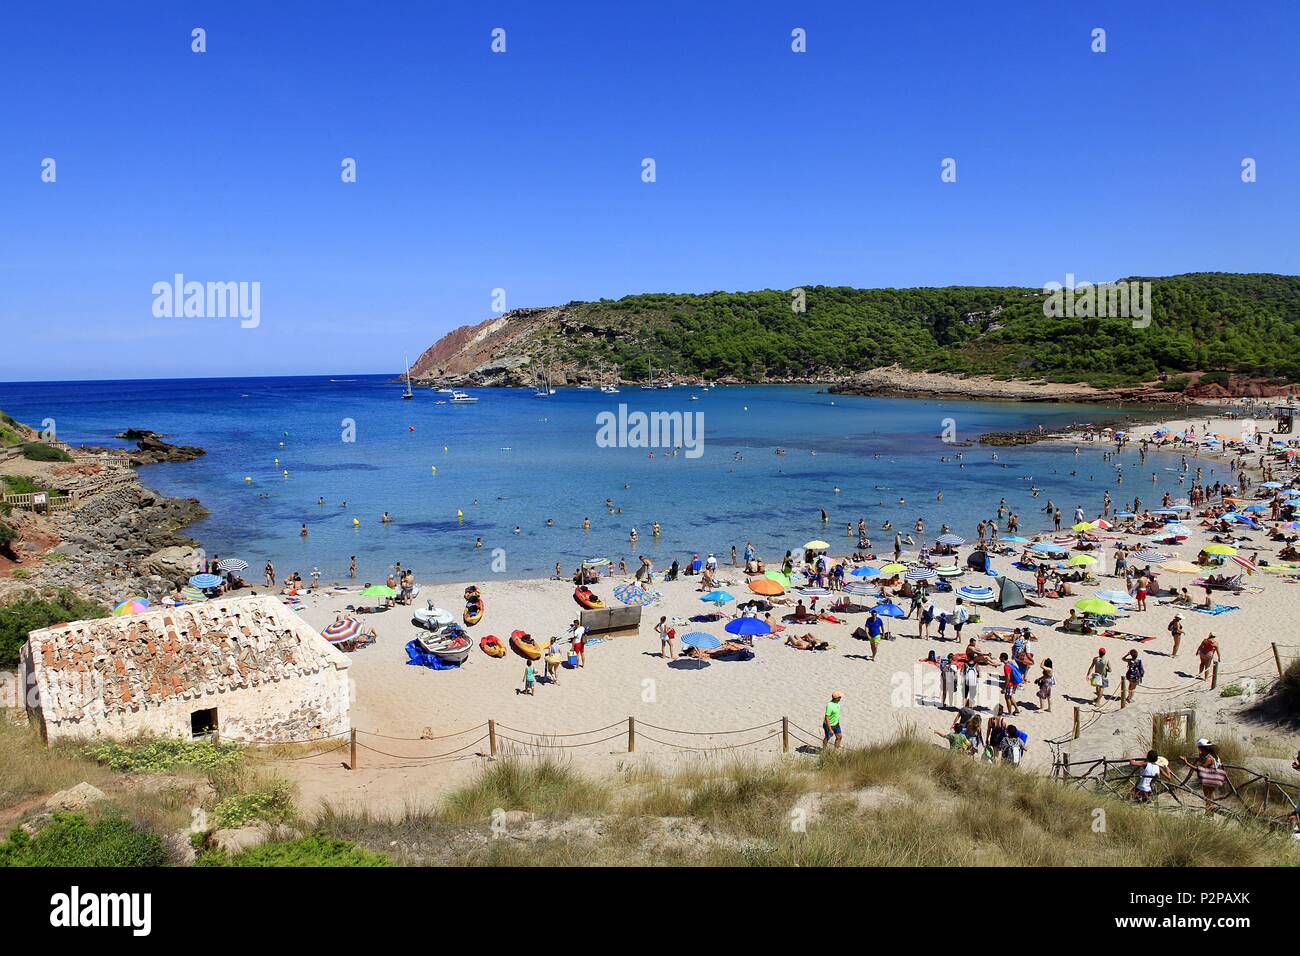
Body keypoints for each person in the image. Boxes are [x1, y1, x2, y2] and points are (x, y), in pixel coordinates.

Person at [1180, 739, 1226, 814]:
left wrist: (1186, 763)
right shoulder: (1215, 757)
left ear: (1202, 748)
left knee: (1208, 798)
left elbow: (1199, 769)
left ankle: (1209, 814)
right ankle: (1209, 814)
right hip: (1215, 778)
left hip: (1209, 779)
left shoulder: (1209, 759)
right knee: (1210, 796)